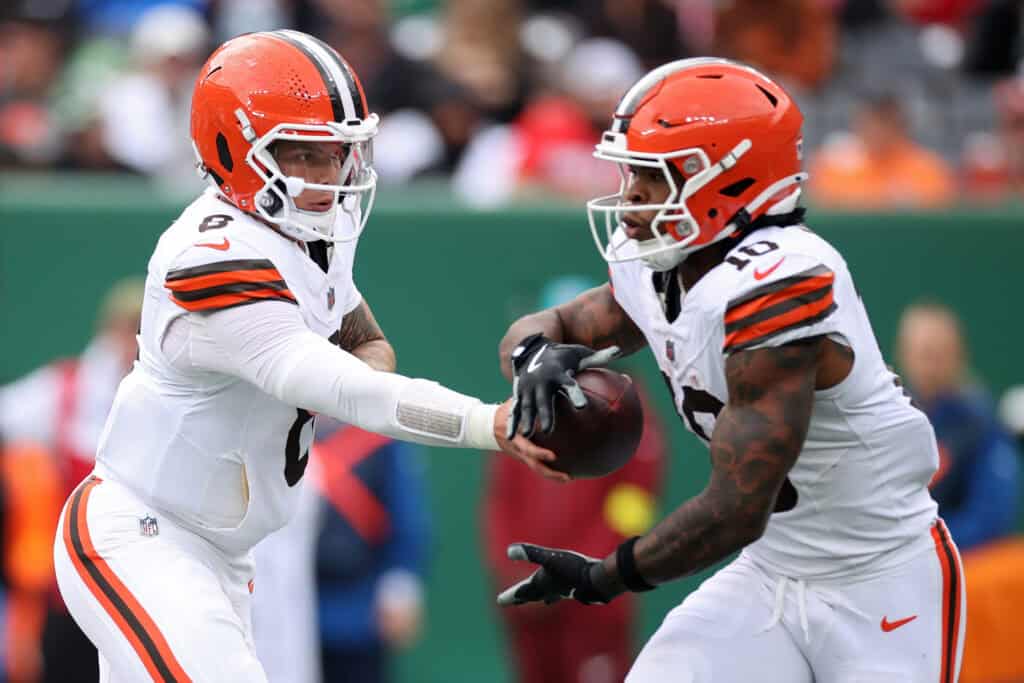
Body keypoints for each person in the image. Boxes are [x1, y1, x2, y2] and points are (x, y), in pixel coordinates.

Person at [51, 30, 555, 683]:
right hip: (145, 537)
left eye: (337, 153)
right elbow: (347, 387)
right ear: (232, 149)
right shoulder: (213, 256)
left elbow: (366, 345)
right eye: (302, 153)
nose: (326, 177)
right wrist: (489, 421)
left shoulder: (308, 230)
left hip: (226, 552)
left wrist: (350, 382)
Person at [496, 58, 965, 682]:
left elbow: (737, 508)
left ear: (729, 178)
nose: (630, 196)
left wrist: (604, 576)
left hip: (878, 579)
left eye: (654, 175)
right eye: (631, 172)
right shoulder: (664, 267)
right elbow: (553, 323)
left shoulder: (780, 279)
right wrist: (532, 357)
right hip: (771, 570)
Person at [483, 276, 666, 683]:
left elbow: (632, 508)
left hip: (593, 595)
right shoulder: (523, 406)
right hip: (529, 596)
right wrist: (512, 567)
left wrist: (585, 571)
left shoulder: (629, 413)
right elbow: (500, 501)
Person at [0, 276, 144, 683]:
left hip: (142, 592)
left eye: (142, 329)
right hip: (68, 593)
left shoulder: (175, 401)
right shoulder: (64, 390)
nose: (133, 341)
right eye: (128, 329)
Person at [897, 302, 1020, 552]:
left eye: (940, 354)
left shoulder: (981, 428)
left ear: (959, 355)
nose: (930, 367)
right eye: (924, 354)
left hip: (961, 562)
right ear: (904, 355)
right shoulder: (889, 423)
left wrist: (917, 540)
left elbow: (989, 520)